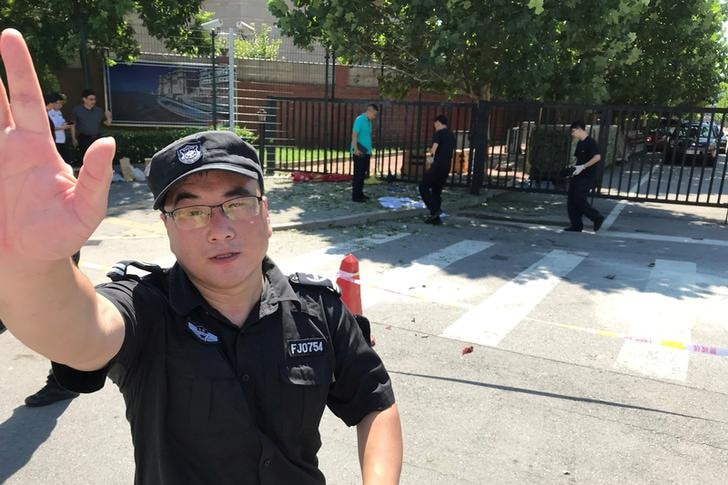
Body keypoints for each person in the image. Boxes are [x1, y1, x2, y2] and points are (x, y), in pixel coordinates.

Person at [0, 29, 402, 485]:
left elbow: (374, 403)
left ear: (266, 214)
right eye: (191, 211)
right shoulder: (147, 310)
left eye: (238, 203)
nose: (220, 229)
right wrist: (31, 264)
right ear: (167, 226)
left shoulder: (320, 310)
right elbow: (79, 330)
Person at [564, 120, 605, 232]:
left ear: (579, 129)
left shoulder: (590, 142)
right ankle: (576, 225)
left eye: (573, 131)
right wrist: (574, 168)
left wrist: (583, 166)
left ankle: (597, 218)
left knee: (579, 199)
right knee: (572, 200)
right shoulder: (580, 142)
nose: (572, 134)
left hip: (587, 176)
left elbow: (597, 157)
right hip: (577, 175)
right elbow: (578, 159)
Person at [419, 114, 455, 225]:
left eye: (435, 124)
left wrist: (429, 162)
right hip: (446, 166)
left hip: (437, 165)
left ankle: (435, 210)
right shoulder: (451, 135)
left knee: (423, 186)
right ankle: (435, 218)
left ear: (438, 123)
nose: (434, 127)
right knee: (436, 191)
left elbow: (433, 150)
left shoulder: (439, 133)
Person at [71, 88, 112, 162]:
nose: (93, 101)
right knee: (86, 158)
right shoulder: (77, 110)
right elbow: (72, 124)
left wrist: (108, 117)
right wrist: (73, 138)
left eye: (94, 99)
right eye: (91, 99)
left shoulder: (99, 110)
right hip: (84, 138)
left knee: (98, 158)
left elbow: (107, 124)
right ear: (84, 99)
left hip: (97, 138)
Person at [350, 104, 378, 202]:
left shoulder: (368, 121)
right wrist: (356, 149)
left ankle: (360, 194)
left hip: (366, 151)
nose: (374, 117)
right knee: (358, 174)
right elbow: (354, 135)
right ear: (370, 111)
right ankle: (356, 196)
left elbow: (367, 137)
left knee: (362, 175)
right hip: (359, 151)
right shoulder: (359, 120)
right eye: (374, 114)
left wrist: (370, 151)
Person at [45, 91, 71, 162]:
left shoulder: (57, 112)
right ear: (53, 102)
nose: (60, 105)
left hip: (58, 140)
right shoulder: (44, 113)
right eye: (58, 102)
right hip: (50, 143)